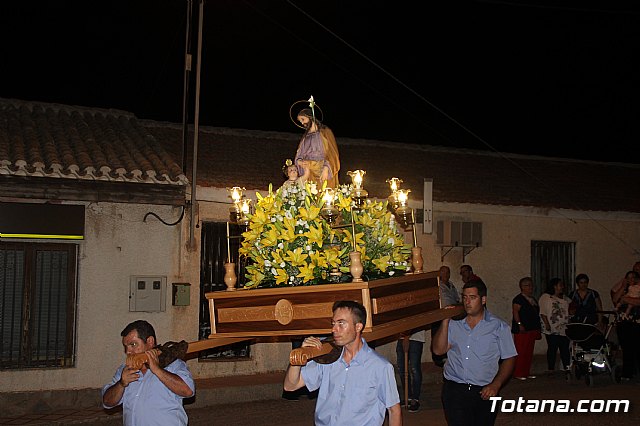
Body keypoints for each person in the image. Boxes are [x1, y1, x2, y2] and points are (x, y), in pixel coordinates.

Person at [284, 300, 401, 426]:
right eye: (333, 323)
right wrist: (299, 356)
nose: (334, 329)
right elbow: (290, 386)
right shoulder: (328, 358)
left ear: (358, 327)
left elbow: (394, 410)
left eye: (341, 323)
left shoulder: (379, 366)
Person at [432, 278, 517, 426]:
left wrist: (496, 385)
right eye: (464, 297)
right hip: (455, 389)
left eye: (472, 298)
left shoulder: (499, 327)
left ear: (483, 299)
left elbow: (510, 358)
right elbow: (438, 351)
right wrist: (445, 321)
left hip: (486, 390)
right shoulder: (454, 324)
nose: (467, 302)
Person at [102, 320, 195, 426]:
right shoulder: (124, 370)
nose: (128, 351)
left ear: (150, 342)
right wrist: (121, 384)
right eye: (126, 346)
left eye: (133, 344)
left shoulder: (174, 365)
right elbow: (107, 402)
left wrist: (157, 370)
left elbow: (188, 391)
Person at [294, 108, 340, 188]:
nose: (302, 123)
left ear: (310, 117)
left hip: (322, 169)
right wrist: (300, 161)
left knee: (324, 195)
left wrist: (326, 168)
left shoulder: (325, 132)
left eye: (303, 119)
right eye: (300, 121)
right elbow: (299, 154)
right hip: (308, 171)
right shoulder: (305, 137)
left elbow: (332, 153)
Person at [611, 269, 640, 381]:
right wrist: (623, 287)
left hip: (636, 322)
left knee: (637, 347)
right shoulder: (625, 289)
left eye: (633, 277)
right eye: (628, 278)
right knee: (626, 348)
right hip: (623, 322)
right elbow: (615, 299)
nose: (630, 280)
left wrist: (626, 299)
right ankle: (627, 373)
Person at [538, 278, 571, 377]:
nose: (562, 287)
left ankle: (567, 367)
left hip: (563, 327)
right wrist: (547, 324)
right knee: (552, 348)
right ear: (554, 286)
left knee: (564, 348)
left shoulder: (564, 298)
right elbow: (543, 312)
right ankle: (551, 368)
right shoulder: (546, 297)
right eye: (560, 285)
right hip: (552, 327)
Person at [511, 276, 541, 380]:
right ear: (522, 287)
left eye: (531, 285)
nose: (530, 287)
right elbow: (515, 312)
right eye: (527, 285)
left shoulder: (533, 299)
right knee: (521, 351)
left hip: (531, 328)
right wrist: (519, 324)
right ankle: (518, 373)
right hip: (522, 329)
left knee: (528, 351)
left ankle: (526, 372)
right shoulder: (518, 299)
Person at [431, 265, 461, 367]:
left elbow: (456, 299)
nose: (446, 274)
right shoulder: (436, 285)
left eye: (448, 272)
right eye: (443, 272)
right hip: (440, 317)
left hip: (452, 317)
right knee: (438, 336)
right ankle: (439, 359)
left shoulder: (451, 285)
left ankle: (450, 358)